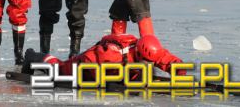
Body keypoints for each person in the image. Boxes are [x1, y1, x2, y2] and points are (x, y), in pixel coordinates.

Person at [22, 33, 185, 78]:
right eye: (147, 62)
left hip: (113, 68)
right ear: (139, 53)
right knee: (59, 70)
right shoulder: (113, 55)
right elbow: (91, 62)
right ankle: (32, 56)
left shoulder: (150, 49)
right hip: (86, 64)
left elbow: (164, 58)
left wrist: (179, 72)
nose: (151, 65)